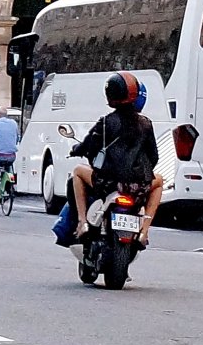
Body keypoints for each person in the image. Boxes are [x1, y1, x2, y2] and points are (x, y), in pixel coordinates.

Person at [64, 72, 162, 244]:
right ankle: (144, 231)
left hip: (108, 184)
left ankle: (82, 222)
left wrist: (77, 150)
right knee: (160, 181)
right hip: (139, 188)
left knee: (78, 172)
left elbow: (89, 147)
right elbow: (154, 156)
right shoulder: (146, 124)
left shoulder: (106, 122)